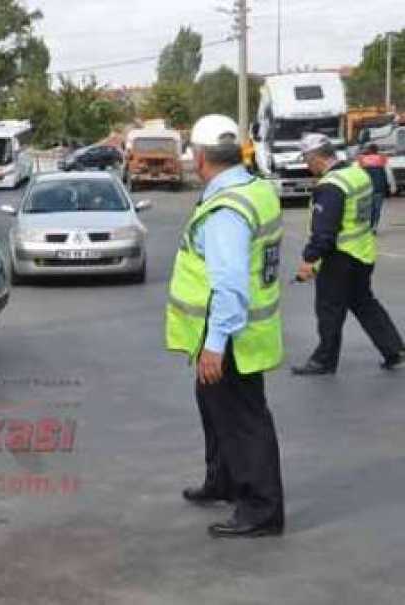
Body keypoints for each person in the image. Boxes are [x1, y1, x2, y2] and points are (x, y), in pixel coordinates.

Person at [166, 114, 285, 538]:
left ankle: (260, 509)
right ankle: (223, 479)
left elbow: (230, 284)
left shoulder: (227, 209)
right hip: (234, 330)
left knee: (242, 419)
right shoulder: (256, 189)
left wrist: (215, 344)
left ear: (199, 158)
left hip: (231, 333)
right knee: (214, 405)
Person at [291, 134, 404, 375]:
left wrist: (309, 260)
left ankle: (324, 361)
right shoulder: (356, 173)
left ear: (316, 157)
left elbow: (324, 232)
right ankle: (393, 348)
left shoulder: (331, 186)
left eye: (306, 159)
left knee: (330, 309)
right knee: (364, 303)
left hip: (339, 257)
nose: (307, 165)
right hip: (362, 253)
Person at [356, 143, 394, 232]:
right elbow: (389, 174)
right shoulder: (382, 159)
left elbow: (357, 174)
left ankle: (367, 225)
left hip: (365, 189)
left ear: (368, 150)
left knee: (367, 208)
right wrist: (392, 186)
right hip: (379, 188)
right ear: (377, 150)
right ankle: (374, 226)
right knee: (377, 209)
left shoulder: (362, 160)